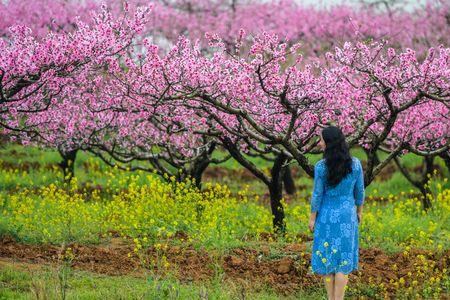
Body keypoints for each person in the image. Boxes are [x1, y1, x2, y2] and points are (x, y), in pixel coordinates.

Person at [308, 125, 365, 300]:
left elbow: (317, 194)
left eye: (322, 139)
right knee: (343, 262)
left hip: (326, 217)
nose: (319, 142)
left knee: (328, 260)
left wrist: (312, 218)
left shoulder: (321, 167)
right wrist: (359, 212)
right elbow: (360, 191)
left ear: (329, 143)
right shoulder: (355, 164)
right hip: (347, 216)